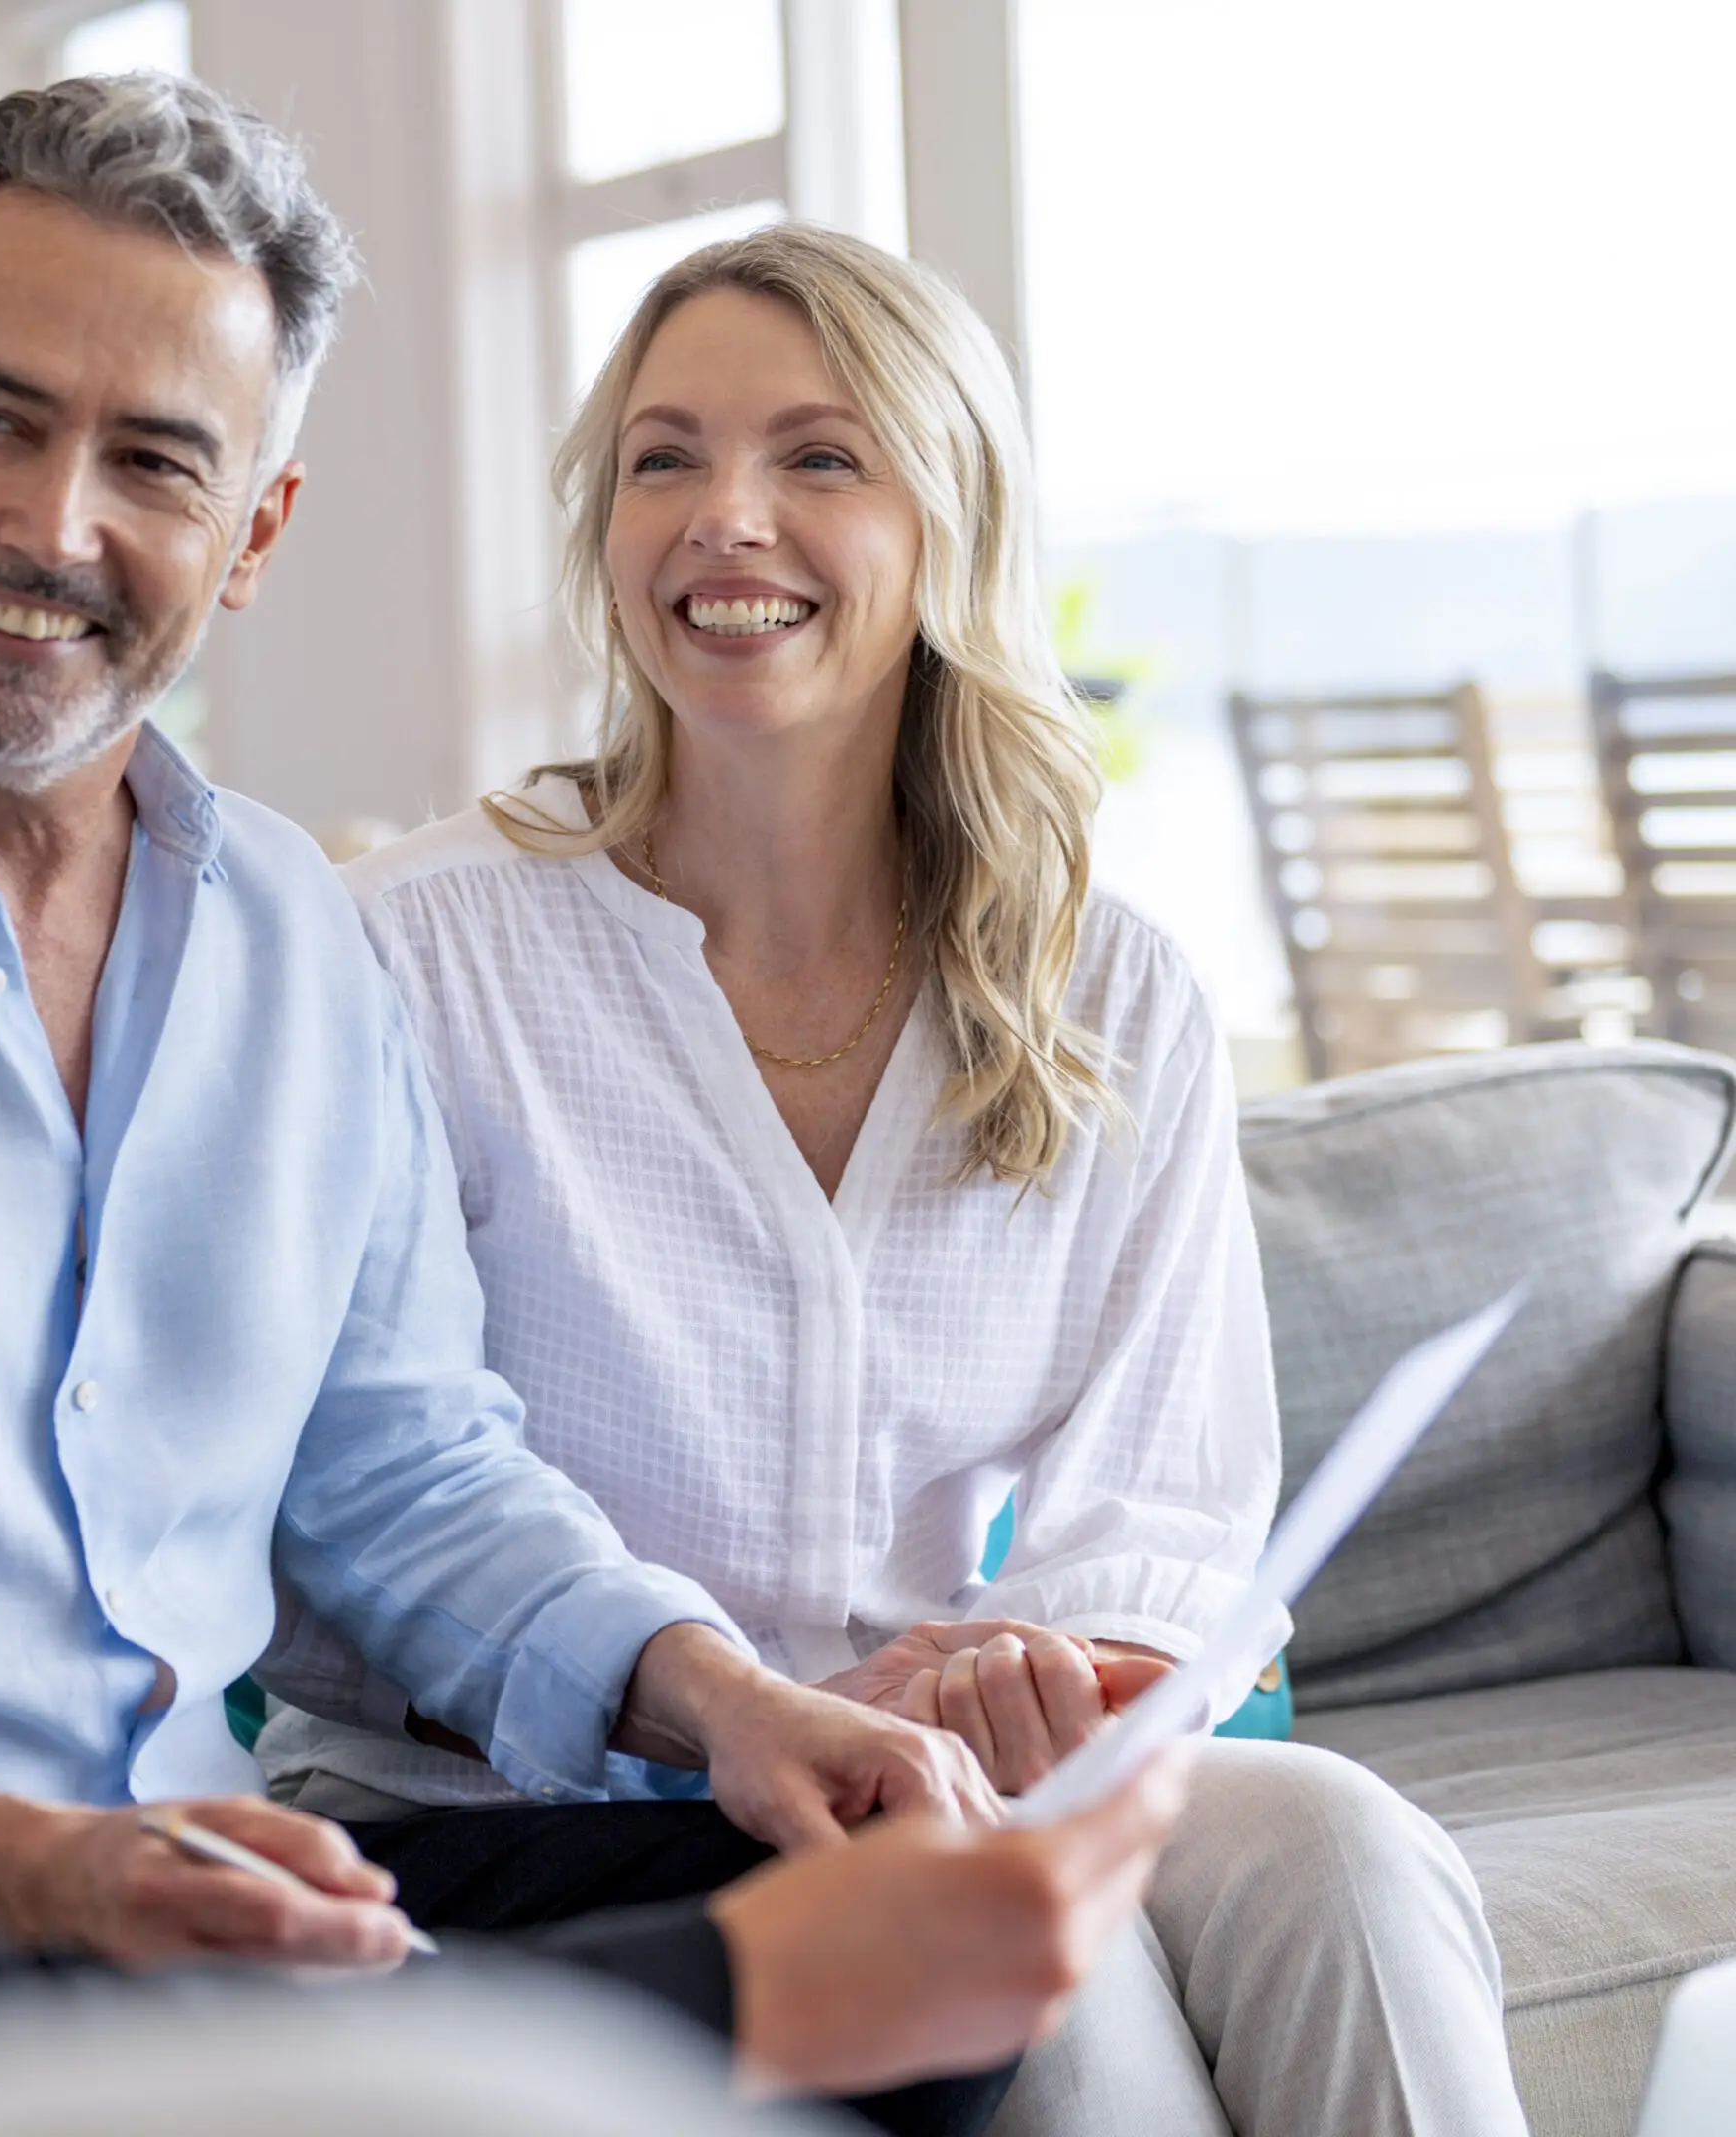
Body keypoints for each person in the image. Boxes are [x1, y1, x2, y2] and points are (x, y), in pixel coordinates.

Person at [0, 73, 1181, 2133]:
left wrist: (736, 1706)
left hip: (230, 1916)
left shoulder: (293, 938)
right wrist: (57, 1873)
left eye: (156, 461)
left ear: (256, 532)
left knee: (904, 1957)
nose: (56, 528)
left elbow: (414, 1482)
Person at [253, 225, 1531, 2137]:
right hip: (533, 1810)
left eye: (818, 457)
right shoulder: (413, 955)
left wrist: (1047, 1666)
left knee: (1353, 1850)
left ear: (952, 522)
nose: (725, 518)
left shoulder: (1109, 988)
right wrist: (726, 1705)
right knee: (1038, 1964)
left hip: (946, 1765)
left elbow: (1174, 1501)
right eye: (665, 456)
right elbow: (331, 1517)